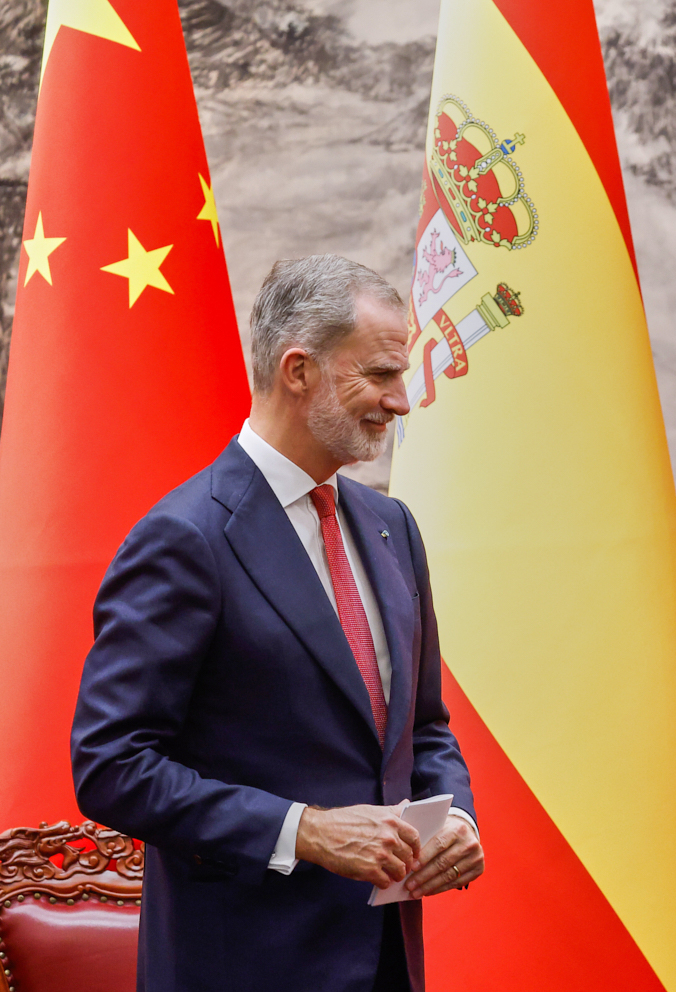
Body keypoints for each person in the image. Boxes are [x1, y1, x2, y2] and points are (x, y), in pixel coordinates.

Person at [72, 255, 483, 992]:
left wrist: (458, 824)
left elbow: (423, 728)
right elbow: (112, 766)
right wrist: (307, 831)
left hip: (390, 963)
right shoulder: (185, 539)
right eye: (382, 375)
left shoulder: (393, 527)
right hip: (245, 966)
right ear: (299, 371)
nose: (402, 401)